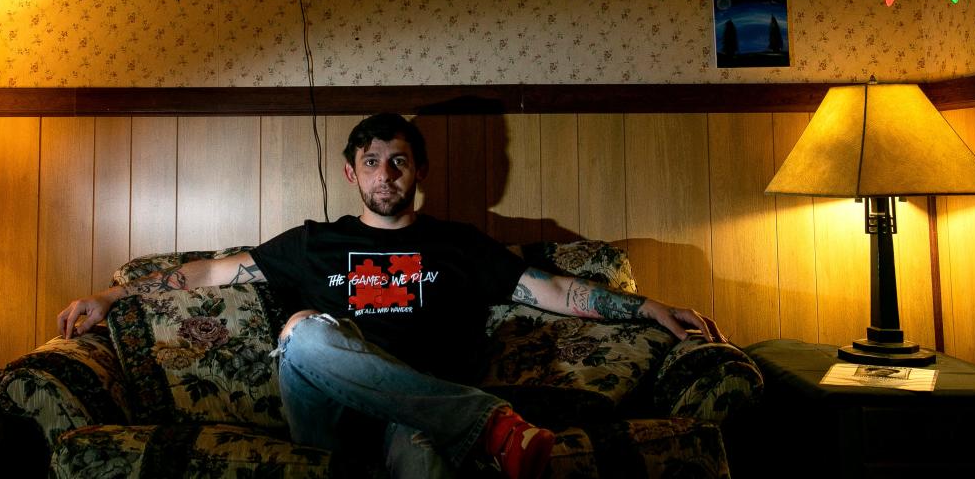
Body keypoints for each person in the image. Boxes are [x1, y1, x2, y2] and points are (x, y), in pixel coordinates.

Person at [59, 113, 723, 479]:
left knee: (425, 453)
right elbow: (205, 275)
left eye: (398, 159)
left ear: (420, 170)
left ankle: (457, 423)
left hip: (417, 419)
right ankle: (489, 425)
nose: (385, 173)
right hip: (331, 418)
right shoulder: (315, 243)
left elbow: (553, 290)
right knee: (302, 332)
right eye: (372, 161)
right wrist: (114, 296)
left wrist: (647, 308)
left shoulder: (458, 244)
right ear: (351, 173)